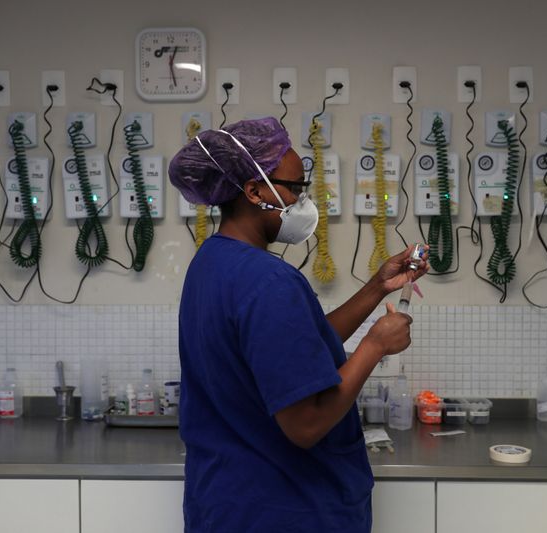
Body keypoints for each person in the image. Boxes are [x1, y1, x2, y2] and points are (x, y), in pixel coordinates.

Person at [169, 117, 428, 532]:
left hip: (225, 503)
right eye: (295, 188)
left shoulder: (212, 263)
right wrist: (375, 346)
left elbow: (296, 347)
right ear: (254, 192)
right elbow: (306, 425)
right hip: (285, 508)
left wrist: (378, 286)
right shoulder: (268, 280)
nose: (305, 202)